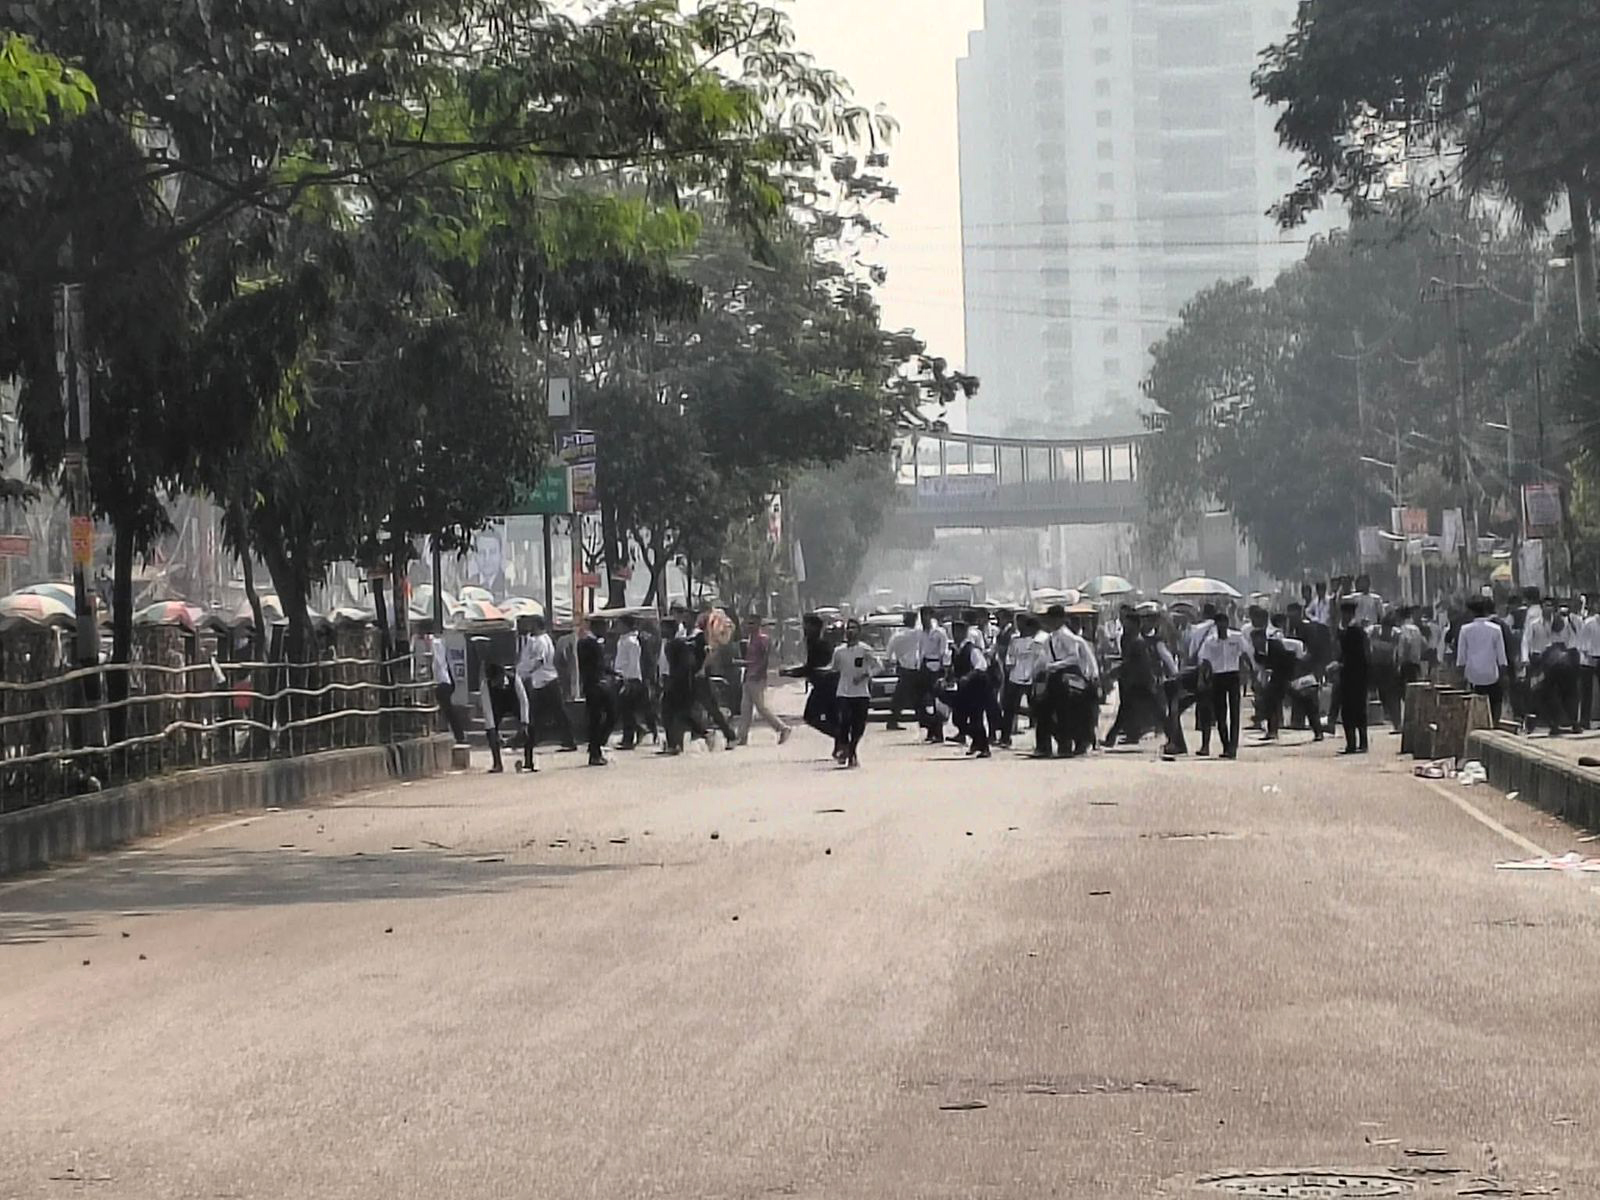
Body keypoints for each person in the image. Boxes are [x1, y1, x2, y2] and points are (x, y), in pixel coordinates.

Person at [1197, 610, 1254, 759]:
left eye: (1224, 623)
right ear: (1216, 625)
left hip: (1233, 676)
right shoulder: (1210, 641)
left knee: (1234, 713)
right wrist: (1202, 679)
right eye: (1219, 624)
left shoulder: (1236, 637)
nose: (1222, 627)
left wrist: (1250, 671)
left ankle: (1232, 748)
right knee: (1220, 714)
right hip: (1218, 677)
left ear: (1228, 624)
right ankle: (1226, 745)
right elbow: (1204, 660)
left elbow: (1246, 653)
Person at [518, 615, 578, 752]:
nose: (528, 627)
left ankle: (569, 740)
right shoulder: (532, 640)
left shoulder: (542, 641)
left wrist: (525, 673)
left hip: (547, 681)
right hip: (538, 681)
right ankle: (531, 740)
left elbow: (539, 661)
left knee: (557, 712)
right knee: (536, 714)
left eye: (530, 624)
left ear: (537, 625)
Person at [737, 614, 792, 746]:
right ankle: (742, 737)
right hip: (748, 676)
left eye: (752, 623)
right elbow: (751, 660)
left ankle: (782, 728)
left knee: (761, 707)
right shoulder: (750, 640)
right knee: (745, 708)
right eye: (748, 623)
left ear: (758, 624)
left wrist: (758, 672)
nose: (749, 626)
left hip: (757, 678)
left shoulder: (763, 640)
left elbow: (764, 659)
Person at [830, 619, 878, 767]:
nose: (850, 631)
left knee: (859, 725)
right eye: (848, 628)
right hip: (844, 692)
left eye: (854, 628)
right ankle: (844, 748)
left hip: (861, 693)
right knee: (844, 722)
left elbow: (878, 666)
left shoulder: (865, 650)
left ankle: (852, 750)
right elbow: (834, 669)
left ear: (859, 631)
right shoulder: (839, 651)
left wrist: (866, 675)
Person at [1457, 597, 1509, 725]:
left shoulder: (1465, 630)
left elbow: (1461, 659)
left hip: (1473, 677)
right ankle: (1494, 724)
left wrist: (1461, 679)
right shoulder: (1496, 629)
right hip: (1492, 676)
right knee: (1495, 703)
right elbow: (1502, 659)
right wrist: (1504, 678)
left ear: (1471, 612)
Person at [950, 620, 994, 757]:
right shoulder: (955, 649)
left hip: (976, 688)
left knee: (976, 719)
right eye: (954, 631)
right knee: (958, 718)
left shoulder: (972, 649)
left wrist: (968, 677)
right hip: (963, 689)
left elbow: (981, 666)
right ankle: (977, 741)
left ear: (965, 632)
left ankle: (984, 747)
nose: (956, 634)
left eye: (959, 631)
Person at [478, 659, 530, 774]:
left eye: (497, 681)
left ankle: (529, 761)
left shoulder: (515, 679)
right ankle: (497, 763)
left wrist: (524, 723)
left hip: (513, 701)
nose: (496, 684)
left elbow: (523, 701)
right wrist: (493, 731)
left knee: (529, 728)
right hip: (497, 706)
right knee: (490, 732)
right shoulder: (485, 686)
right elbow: (487, 710)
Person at [577, 615, 615, 766]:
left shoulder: (591, 643)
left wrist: (613, 673)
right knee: (602, 717)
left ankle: (596, 747)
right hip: (595, 686)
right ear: (597, 627)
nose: (607, 630)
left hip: (596, 685)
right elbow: (592, 668)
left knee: (601, 718)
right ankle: (595, 749)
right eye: (605, 627)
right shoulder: (588, 644)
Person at [1001, 613, 1042, 748]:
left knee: (1036, 709)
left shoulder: (1036, 642)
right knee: (1009, 709)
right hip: (1015, 677)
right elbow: (1010, 657)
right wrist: (1009, 668)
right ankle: (1005, 737)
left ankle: (1041, 741)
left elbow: (1039, 660)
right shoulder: (1014, 640)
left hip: (1031, 678)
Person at [613, 614, 653, 750]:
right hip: (621, 677)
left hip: (630, 679)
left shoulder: (632, 642)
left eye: (619, 624)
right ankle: (638, 730)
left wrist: (628, 680)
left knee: (627, 710)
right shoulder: (623, 640)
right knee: (625, 710)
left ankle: (628, 739)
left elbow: (634, 663)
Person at [1335, 599, 1369, 754]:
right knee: (1358, 710)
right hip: (1358, 676)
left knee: (1349, 711)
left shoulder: (1353, 631)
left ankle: (1352, 744)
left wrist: (1340, 665)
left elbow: (1354, 655)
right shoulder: (1355, 630)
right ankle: (1361, 743)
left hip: (1352, 676)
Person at [916, 606, 952, 743]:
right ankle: (930, 729)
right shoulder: (921, 633)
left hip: (936, 667)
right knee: (924, 701)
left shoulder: (939, 633)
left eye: (927, 615)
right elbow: (920, 651)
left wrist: (945, 670)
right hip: (924, 667)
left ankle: (938, 731)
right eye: (922, 616)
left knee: (938, 701)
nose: (925, 619)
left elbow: (944, 652)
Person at [885, 611, 922, 731]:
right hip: (916, 669)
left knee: (900, 696)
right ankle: (924, 720)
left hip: (903, 668)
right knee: (918, 696)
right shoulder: (917, 634)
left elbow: (889, 654)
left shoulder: (897, 636)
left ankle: (893, 720)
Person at [430, 632, 465, 744]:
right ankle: (456, 734)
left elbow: (439, 663)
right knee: (446, 710)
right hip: (443, 680)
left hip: (441, 680)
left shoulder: (435, 643)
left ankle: (458, 734)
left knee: (448, 709)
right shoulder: (439, 642)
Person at [1580, 595, 1600, 730]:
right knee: (1586, 692)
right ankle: (1584, 721)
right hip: (1588, 659)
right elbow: (1583, 643)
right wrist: (1589, 654)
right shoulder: (1589, 622)